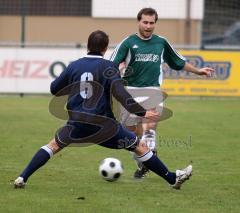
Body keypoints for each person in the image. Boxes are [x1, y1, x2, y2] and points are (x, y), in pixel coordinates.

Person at [14, 30, 192, 190]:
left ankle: (22, 177)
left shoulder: (74, 65)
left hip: (77, 124)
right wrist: (143, 112)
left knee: (53, 145)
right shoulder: (109, 67)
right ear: (105, 48)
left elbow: (54, 89)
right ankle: (171, 178)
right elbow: (122, 95)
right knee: (140, 146)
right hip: (104, 127)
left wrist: (74, 87)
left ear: (87, 46)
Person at [110, 7, 214, 178]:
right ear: (139, 22)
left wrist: (198, 71)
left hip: (153, 91)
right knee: (132, 137)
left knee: (150, 126)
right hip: (130, 93)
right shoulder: (128, 43)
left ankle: (154, 163)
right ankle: (145, 163)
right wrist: (118, 70)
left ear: (155, 24)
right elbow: (112, 64)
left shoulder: (161, 42)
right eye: (145, 22)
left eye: (152, 23)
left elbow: (178, 62)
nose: (148, 26)